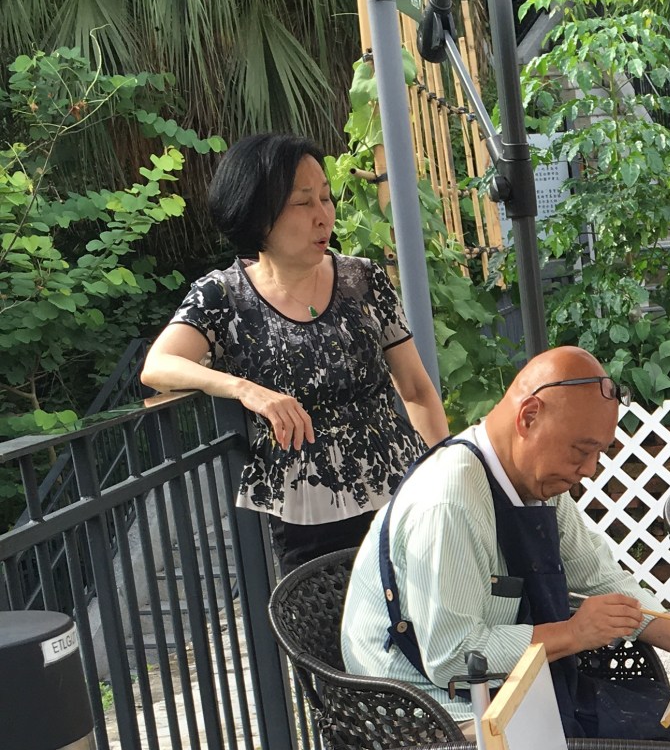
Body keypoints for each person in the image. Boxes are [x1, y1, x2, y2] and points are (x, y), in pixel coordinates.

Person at [341, 346, 670, 739]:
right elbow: (453, 657)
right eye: (581, 450)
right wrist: (574, 633)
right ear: (529, 416)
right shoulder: (449, 500)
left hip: (511, 690)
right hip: (432, 716)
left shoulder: (536, 482)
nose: (589, 470)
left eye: (599, 453)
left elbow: (597, 578)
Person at [141, 132, 448, 574]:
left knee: (415, 613)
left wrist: (443, 478)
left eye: (325, 197)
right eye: (303, 203)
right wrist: (245, 390)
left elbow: (415, 389)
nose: (324, 216)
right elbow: (158, 366)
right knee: (322, 618)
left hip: (399, 494)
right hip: (306, 514)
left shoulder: (364, 280)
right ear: (257, 214)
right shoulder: (224, 295)